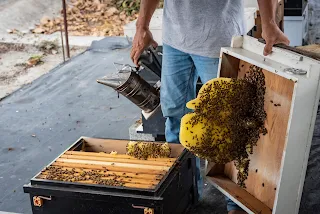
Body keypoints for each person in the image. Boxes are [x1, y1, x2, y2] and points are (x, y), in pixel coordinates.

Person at [130, 0, 289, 213]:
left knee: (228, 125)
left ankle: (236, 203)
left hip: (220, 38)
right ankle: (185, 193)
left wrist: (269, 24)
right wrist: (142, 27)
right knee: (175, 116)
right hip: (175, 39)